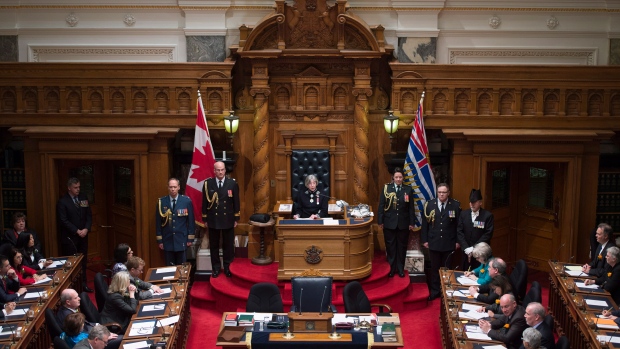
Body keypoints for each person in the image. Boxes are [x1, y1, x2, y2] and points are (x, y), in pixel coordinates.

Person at [422, 183, 461, 300]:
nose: (441, 194)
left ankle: (446, 292)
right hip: (434, 242)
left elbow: (459, 225)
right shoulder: (429, 205)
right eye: (439, 192)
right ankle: (434, 291)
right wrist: (424, 240)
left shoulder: (455, 205)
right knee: (434, 269)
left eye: (444, 192)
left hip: (449, 243)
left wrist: (458, 241)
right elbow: (425, 224)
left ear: (448, 193)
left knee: (447, 269)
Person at [202, 162, 240, 278]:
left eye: (222, 170)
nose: (220, 172)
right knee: (214, 245)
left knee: (228, 245)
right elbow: (204, 202)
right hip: (213, 219)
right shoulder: (208, 184)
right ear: (214, 171)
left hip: (228, 218)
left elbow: (236, 202)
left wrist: (236, 217)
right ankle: (216, 268)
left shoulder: (232, 183)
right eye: (218, 170)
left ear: (225, 170)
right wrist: (205, 218)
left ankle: (228, 267)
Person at [378, 168, 415, 278]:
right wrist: (380, 221)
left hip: (403, 223)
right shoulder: (386, 188)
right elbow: (381, 205)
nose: (398, 179)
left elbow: (411, 208)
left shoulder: (408, 189)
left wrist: (412, 222)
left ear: (403, 178)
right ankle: (391, 268)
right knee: (391, 247)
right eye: (396, 177)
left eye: (400, 177)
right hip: (389, 223)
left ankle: (400, 269)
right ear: (393, 178)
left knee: (402, 247)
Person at [57, 177, 93, 292]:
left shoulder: (83, 198)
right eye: (75, 187)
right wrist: (77, 230)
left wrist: (86, 228)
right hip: (70, 238)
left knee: (83, 260)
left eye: (79, 187)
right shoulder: (63, 202)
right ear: (69, 188)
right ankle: (73, 287)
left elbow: (88, 215)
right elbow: (63, 220)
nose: (78, 189)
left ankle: (83, 284)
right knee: (72, 263)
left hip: (83, 235)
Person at [156, 178, 195, 266]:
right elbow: (158, 223)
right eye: (171, 187)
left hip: (181, 239)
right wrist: (160, 241)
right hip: (167, 240)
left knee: (182, 267)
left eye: (174, 187)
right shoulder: (161, 202)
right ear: (168, 188)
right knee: (169, 267)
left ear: (179, 187)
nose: (173, 189)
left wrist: (190, 238)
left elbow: (191, 221)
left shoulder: (186, 201)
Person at [457, 188, 494, 271]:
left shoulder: (487, 216)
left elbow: (488, 234)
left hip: (481, 253)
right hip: (465, 252)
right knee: (465, 273)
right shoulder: (463, 214)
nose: (472, 205)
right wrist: (466, 248)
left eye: (475, 202)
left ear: (480, 202)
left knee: (479, 273)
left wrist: (473, 248)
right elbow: (459, 231)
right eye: (470, 202)